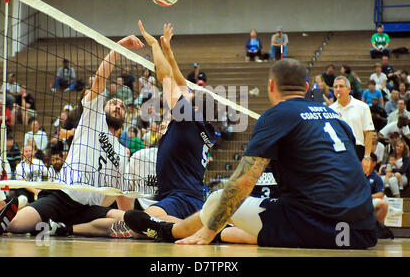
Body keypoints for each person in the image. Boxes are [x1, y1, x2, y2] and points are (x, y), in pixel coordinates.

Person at [124, 59, 377, 249]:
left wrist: (207, 232)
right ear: (308, 87)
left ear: (270, 86)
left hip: (316, 226)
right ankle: (178, 228)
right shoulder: (336, 116)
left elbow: (243, 182)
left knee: (217, 201)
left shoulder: (276, 116)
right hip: (362, 231)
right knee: (238, 228)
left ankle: (169, 231)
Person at [4, 34, 144, 237]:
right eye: (114, 103)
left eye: (122, 106)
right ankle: (30, 222)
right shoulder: (93, 118)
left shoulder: (123, 153)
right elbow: (99, 80)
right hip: (63, 197)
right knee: (14, 225)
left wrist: (128, 220)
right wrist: (119, 46)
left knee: (129, 219)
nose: (118, 106)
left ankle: (62, 228)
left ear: (125, 116)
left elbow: (121, 195)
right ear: (103, 107)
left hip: (89, 210)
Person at [124, 21, 217, 227]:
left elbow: (166, 77)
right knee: (136, 221)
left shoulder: (187, 121)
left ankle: (188, 228)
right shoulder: (202, 128)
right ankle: (194, 226)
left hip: (179, 199)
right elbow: (182, 84)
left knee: (138, 219)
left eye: (188, 100)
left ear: (192, 110)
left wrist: (154, 45)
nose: (183, 97)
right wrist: (168, 50)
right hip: (191, 197)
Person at [330, 76, 374, 172]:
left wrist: (367, 157)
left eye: (341, 86)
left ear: (349, 89)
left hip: (357, 151)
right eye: (335, 87)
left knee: (357, 185)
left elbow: (369, 133)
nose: (338, 89)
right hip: (337, 152)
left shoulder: (363, 107)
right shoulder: (330, 110)